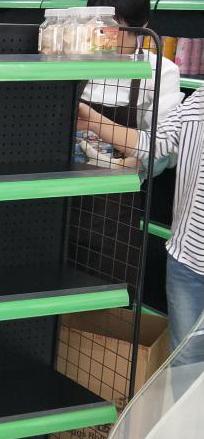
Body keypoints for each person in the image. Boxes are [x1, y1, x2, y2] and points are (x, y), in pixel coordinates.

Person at [78, 89, 204, 386]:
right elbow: (154, 143)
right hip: (187, 261)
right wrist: (93, 119)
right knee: (184, 367)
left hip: (184, 265)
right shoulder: (200, 99)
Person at [82, 0, 183, 133]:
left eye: (112, 24)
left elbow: (161, 139)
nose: (102, 32)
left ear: (142, 23)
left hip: (128, 149)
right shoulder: (76, 61)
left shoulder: (162, 71)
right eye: (96, 22)